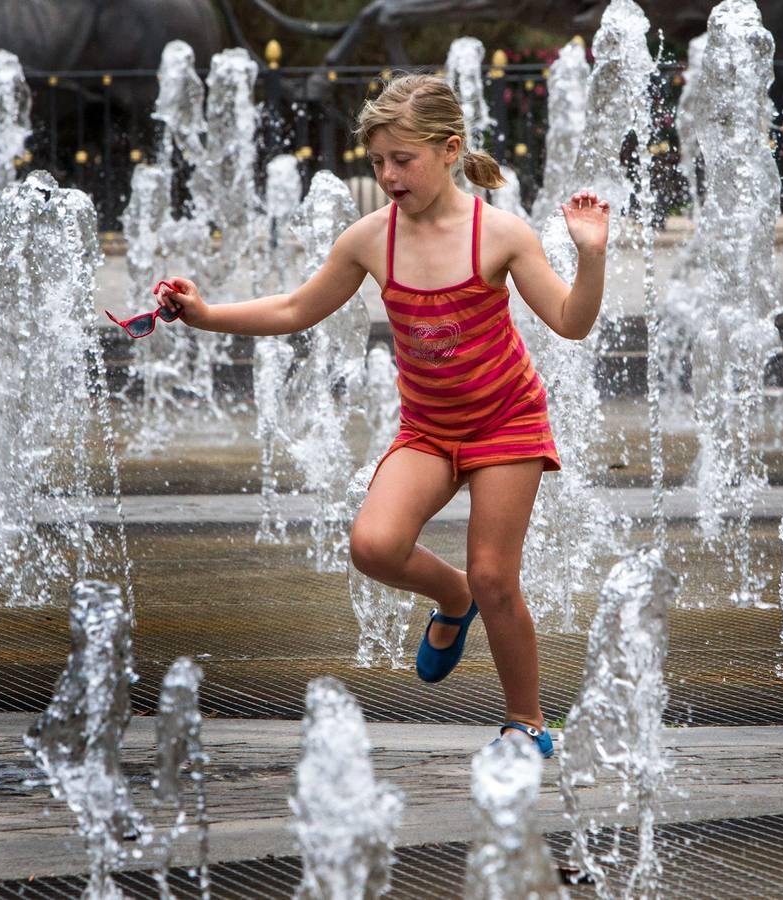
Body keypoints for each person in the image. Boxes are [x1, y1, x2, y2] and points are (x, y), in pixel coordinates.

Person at [154, 73, 608, 758]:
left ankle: (527, 721)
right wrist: (206, 313)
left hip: (505, 425)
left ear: (450, 148)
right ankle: (453, 600)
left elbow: (571, 323)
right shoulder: (370, 238)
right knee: (373, 545)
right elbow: (293, 309)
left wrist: (592, 257)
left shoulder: (501, 236)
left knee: (496, 575)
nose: (389, 176)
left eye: (403, 160)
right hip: (428, 429)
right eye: (376, 163)